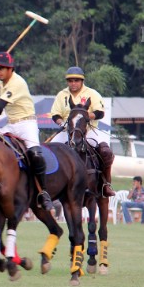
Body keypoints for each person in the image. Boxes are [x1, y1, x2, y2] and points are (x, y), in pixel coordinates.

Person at [0, 51, 51, 207]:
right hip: (10, 123)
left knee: (35, 153)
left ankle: (43, 192)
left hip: (27, 123)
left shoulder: (17, 82)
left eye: (1, 68)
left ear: (10, 69)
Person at [49, 66, 116, 196]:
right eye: (70, 81)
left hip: (88, 129)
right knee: (49, 150)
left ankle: (105, 184)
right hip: (67, 130)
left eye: (76, 80)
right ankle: (49, 185)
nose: (73, 83)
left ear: (82, 81)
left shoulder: (92, 93)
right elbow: (55, 114)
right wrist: (62, 123)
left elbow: (99, 113)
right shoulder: (62, 95)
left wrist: (84, 117)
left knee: (105, 151)